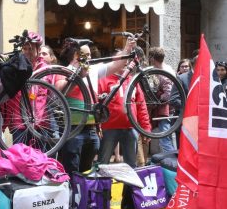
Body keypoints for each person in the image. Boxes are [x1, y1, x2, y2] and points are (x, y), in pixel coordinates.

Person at [55, 37, 136, 175]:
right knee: (71, 172)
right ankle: (72, 195)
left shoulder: (92, 70)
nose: (88, 58)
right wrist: (78, 75)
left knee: (87, 172)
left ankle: (84, 195)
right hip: (72, 130)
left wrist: (127, 49)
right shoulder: (64, 70)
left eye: (89, 55)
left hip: (91, 130)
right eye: (84, 55)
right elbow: (59, 89)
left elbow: (115, 65)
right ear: (75, 56)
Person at [98, 60, 152, 168]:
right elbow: (97, 105)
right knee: (103, 164)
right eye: (122, 61)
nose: (126, 63)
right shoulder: (104, 80)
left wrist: (146, 128)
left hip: (130, 127)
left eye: (127, 61)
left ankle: (129, 186)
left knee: (131, 166)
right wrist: (97, 125)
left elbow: (141, 105)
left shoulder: (132, 81)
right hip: (109, 128)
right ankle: (103, 185)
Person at [148, 47, 175, 153]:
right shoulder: (167, 68)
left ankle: (171, 162)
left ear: (152, 59)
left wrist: (157, 98)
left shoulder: (164, 73)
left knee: (165, 139)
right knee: (166, 137)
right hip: (167, 109)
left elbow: (168, 94)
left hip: (166, 110)